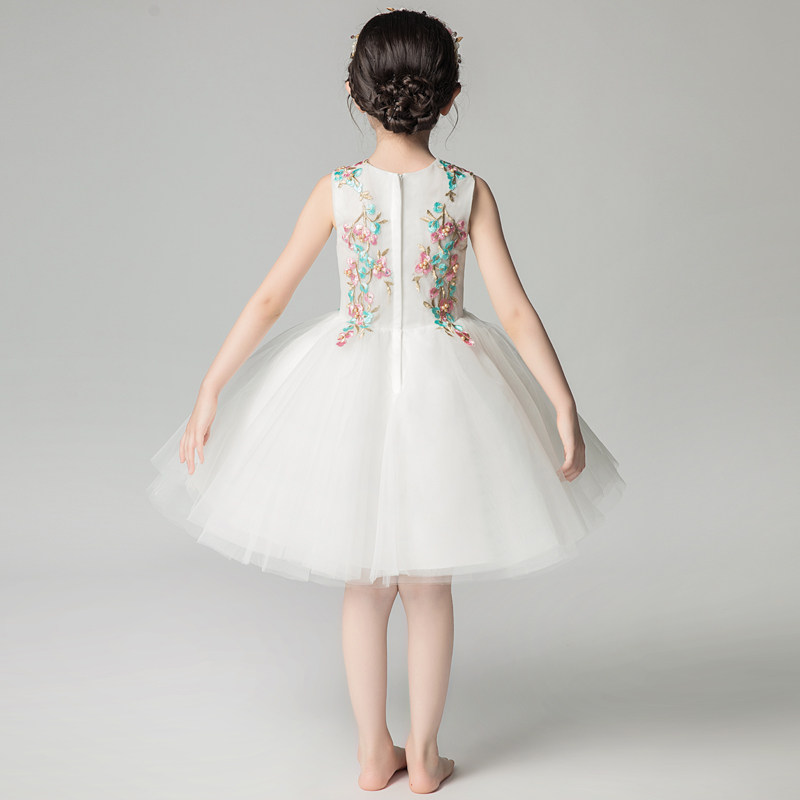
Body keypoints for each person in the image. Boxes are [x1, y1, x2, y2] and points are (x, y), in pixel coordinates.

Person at [146, 8, 626, 794]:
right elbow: (512, 309)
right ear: (451, 95)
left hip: (351, 378)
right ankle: (426, 757)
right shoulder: (466, 191)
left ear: (354, 91)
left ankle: (375, 753)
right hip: (448, 385)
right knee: (428, 584)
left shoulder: (337, 191)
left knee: (366, 584)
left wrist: (213, 384)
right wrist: (560, 399)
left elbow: (270, 297)